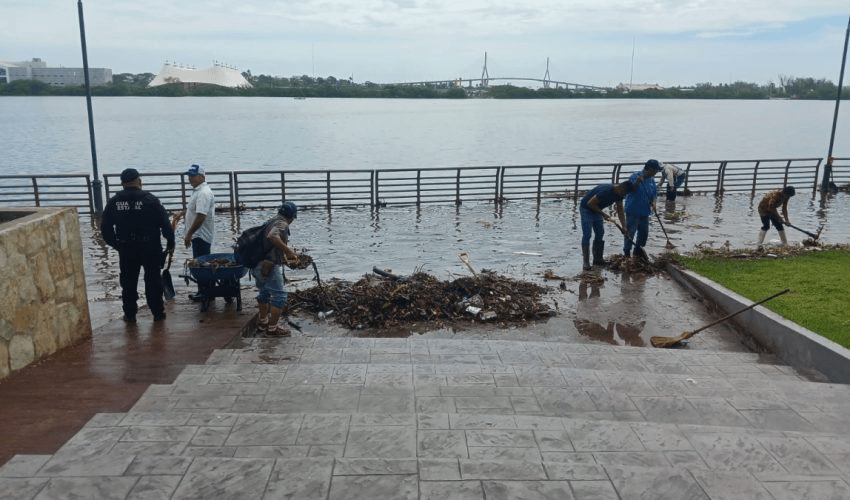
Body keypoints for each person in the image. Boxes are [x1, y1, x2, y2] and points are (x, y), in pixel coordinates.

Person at [101, 168, 175, 322]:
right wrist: (170, 243)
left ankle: (130, 314)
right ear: (139, 181)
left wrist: (117, 245)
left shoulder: (114, 202)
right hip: (150, 247)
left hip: (126, 248)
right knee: (153, 281)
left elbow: (105, 229)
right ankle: (157, 313)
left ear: (122, 183)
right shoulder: (150, 200)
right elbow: (165, 225)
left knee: (128, 283)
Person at [253, 201, 300, 337]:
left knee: (265, 293)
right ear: (292, 216)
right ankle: (272, 329)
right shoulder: (282, 223)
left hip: (257, 265)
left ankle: (263, 322)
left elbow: (269, 243)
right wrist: (288, 251)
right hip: (268, 265)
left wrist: (284, 255)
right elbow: (272, 236)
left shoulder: (271, 220)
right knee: (280, 296)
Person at [579, 181, 634, 270]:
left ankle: (597, 259)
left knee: (600, 233)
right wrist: (604, 214)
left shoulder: (619, 195)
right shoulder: (606, 190)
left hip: (597, 209)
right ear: (621, 188)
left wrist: (624, 226)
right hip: (586, 209)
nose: (624, 196)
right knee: (587, 234)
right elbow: (590, 203)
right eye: (624, 193)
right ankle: (586, 262)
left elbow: (620, 211)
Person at [182, 164, 215, 300]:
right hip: (198, 235)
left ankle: (206, 293)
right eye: (189, 175)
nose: (190, 178)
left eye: (193, 176)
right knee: (201, 264)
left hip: (200, 235)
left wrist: (189, 234)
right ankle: (206, 291)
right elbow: (195, 211)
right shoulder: (198, 191)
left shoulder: (203, 193)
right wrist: (183, 214)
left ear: (201, 176)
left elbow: (201, 216)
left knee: (201, 266)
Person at [623, 159, 661, 258]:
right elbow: (630, 189)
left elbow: (654, 194)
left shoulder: (652, 180)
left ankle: (638, 250)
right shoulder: (635, 176)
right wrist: (637, 182)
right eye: (655, 170)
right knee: (630, 232)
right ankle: (627, 252)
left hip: (645, 211)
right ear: (649, 169)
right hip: (633, 210)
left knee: (644, 233)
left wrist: (654, 203)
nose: (656, 173)